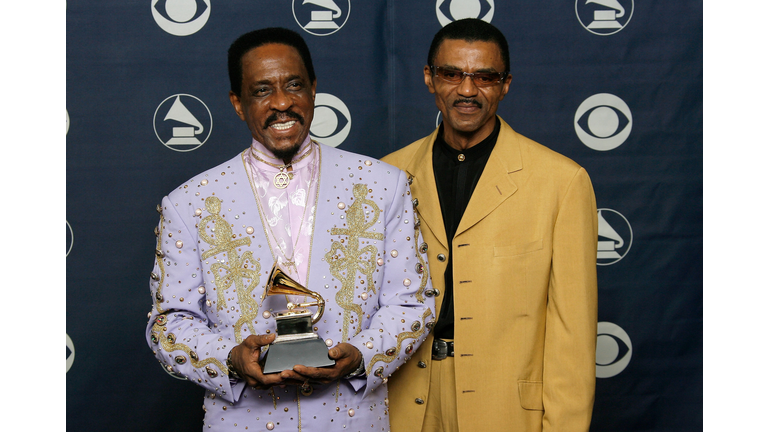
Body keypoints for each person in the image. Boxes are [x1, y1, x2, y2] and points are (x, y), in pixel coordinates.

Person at [145, 27, 435, 432]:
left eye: (294, 85)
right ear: (237, 103)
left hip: (352, 420)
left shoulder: (383, 185)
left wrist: (363, 354)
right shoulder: (189, 202)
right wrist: (230, 358)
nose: (282, 103)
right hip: (242, 421)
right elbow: (169, 323)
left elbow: (412, 303)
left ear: (314, 89)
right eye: (262, 90)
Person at [381, 19, 598, 432]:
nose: (467, 90)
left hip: (505, 410)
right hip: (403, 403)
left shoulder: (561, 182)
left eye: (484, 77)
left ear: (506, 84)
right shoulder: (389, 174)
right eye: (451, 74)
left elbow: (574, 334)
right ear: (429, 78)